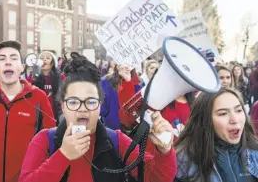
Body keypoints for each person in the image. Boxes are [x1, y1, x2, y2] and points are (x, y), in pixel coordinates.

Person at [19, 55, 177, 182]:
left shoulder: (117, 140)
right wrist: (63, 155)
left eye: (91, 102)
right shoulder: (44, 140)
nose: (82, 108)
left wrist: (164, 151)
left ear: (100, 104)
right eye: (73, 102)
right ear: (63, 105)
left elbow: (156, 177)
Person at [0, 41, 56, 182]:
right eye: (2, 59)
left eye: (14, 58)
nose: (8, 62)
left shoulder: (39, 97)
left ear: (21, 67)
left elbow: (50, 139)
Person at [174, 88, 258, 182]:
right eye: (223, 114)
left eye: (238, 110)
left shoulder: (254, 150)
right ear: (205, 119)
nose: (235, 120)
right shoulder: (183, 159)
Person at [32, 51, 66, 125]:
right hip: (39, 113)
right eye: (41, 58)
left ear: (53, 62)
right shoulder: (34, 77)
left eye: (47, 58)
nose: (44, 60)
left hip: (56, 113)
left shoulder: (60, 77)